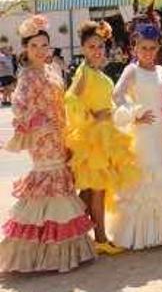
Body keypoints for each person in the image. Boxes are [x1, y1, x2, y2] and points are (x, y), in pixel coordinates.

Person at [0, 15, 95, 272]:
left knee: (60, 186)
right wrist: (41, 126)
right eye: (34, 46)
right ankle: (36, 255)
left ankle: (63, 252)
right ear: (25, 49)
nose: (40, 51)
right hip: (42, 140)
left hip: (60, 136)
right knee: (46, 186)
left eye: (44, 45)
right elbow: (19, 109)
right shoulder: (27, 76)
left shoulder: (53, 70)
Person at [108, 23, 162, 249]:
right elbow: (117, 95)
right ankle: (138, 234)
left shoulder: (161, 71)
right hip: (143, 133)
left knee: (161, 175)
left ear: (158, 48)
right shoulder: (131, 70)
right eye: (143, 48)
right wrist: (134, 114)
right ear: (135, 48)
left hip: (161, 132)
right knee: (145, 176)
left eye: (152, 48)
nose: (148, 52)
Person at [64, 20, 139, 255]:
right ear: (83, 49)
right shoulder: (84, 71)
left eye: (100, 46)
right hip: (94, 138)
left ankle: (77, 232)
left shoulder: (98, 73)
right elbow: (70, 98)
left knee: (94, 191)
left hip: (106, 136)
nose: (97, 51)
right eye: (91, 47)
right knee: (96, 189)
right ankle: (100, 238)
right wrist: (90, 116)